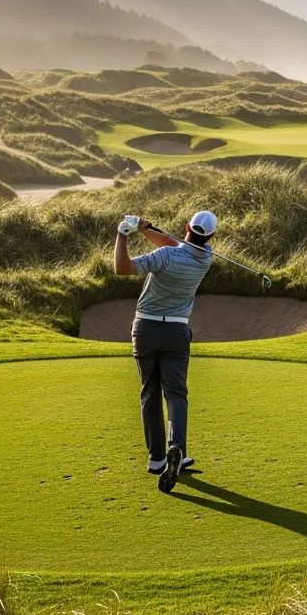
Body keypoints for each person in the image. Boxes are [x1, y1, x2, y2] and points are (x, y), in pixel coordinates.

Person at [114, 210, 217, 493]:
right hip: (176, 332)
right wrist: (145, 230)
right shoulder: (205, 258)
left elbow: (122, 268)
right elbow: (171, 243)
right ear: (210, 237)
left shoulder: (165, 257)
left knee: (150, 392)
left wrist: (123, 234)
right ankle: (177, 448)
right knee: (176, 394)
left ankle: (157, 459)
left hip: (145, 329)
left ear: (187, 226)